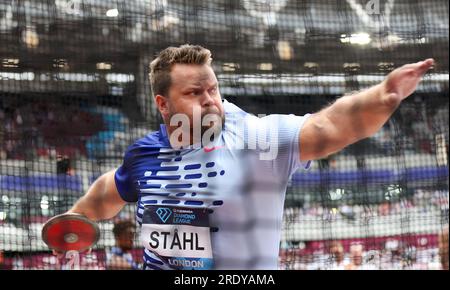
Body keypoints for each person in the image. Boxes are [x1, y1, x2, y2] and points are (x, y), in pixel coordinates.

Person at [64, 44, 434, 269]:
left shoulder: (258, 139)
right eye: (195, 92)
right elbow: (107, 191)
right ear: (163, 104)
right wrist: (74, 219)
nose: (210, 99)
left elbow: (329, 127)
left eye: (213, 88)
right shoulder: (145, 153)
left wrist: (384, 94)